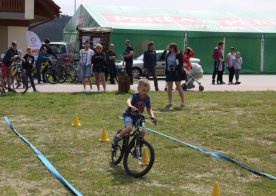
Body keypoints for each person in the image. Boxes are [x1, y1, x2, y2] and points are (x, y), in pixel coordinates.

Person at [112, 78, 156, 149]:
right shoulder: (135, 95)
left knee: (142, 132)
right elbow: (128, 100)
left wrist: (153, 116)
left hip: (138, 117)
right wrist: (130, 106)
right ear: (138, 88)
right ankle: (117, 138)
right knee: (129, 128)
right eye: (143, 90)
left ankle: (137, 147)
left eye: (147, 90)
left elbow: (149, 108)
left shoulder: (147, 98)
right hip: (129, 115)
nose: (145, 92)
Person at [165, 43, 185, 108]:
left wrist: (175, 67)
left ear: (174, 48)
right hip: (169, 72)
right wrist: (166, 50)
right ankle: (170, 102)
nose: (169, 48)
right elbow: (165, 60)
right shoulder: (168, 54)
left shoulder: (178, 54)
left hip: (176, 72)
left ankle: (183, 102)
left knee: (178, 87)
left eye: (171, 47)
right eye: (169, 47)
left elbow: (181, 63)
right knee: (169, 88)